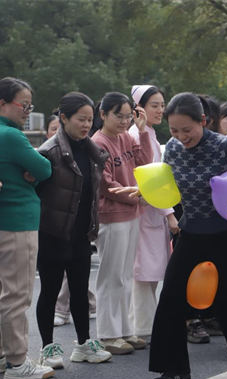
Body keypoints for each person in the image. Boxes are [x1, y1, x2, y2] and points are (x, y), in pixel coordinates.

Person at [111, 92, 227, 379]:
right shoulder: (173, 148)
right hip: (191, 231)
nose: (180, 136)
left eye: (186, 129)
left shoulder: (226, 146)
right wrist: (146, 191)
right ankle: (176, 374)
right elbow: (170, 183)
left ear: (204, 121)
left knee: (224, 304)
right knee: (172, 299)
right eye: (174, 130)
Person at [0, 77, 54, 379]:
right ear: (3, 103)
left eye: (29, 105)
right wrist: (34, 174)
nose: (27, 110)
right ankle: (17, 362)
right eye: (23, 104)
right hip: (18, 221)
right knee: (18, 295)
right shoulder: (11, 135)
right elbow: (44, 169)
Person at [35, 92, 112, 368]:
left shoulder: (92, 152)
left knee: (80, 290)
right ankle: (48, 347)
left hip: (81, 233)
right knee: (50, 291)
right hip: (52, 234)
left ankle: (83, 344)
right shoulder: (49, 152)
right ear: (64, 118)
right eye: (81, 119)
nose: (86, 125)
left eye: (90, 120)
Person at [89, 91, 153, 354]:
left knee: (125, 275)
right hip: (112, 216)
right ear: (103, 114)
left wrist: (143, 131)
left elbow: (146, 163)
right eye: (119, 116)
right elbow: (106, 184)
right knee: (110, 276)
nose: (125, 121)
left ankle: (125, 330)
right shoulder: (98, 142)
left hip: (131, 213)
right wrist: (137, 198)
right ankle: (107, 334)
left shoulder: (127, 137)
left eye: (129, 116)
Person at [128, 85, 179, 342]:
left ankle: (145, 325)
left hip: (153, 211)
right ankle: (143, 328)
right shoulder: (136, 135)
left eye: (162, 105)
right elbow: (152, 179)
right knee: (143, 273)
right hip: (144, 211)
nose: (160, 110)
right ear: (139, 109)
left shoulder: (148, 133)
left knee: (149, 271)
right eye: (154, 105)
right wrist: (170, 213)